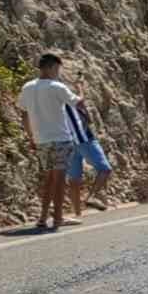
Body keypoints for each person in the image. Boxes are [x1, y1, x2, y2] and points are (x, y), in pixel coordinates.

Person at [16, 53, 80, 231]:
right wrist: (80, 90)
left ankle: (43, 217)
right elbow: (77, 103)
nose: (58, 73)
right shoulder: (56, 86)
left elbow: (24, 114)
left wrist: (31, 137)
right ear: (52, 67)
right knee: (59, 180)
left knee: (49, 180)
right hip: (60, 138)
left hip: (41, 140)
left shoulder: (27, 87)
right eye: (58, 69)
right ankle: (58, 218)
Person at [64, 76, 113, 216]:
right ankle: (92, 196)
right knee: (105, 169)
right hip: (83, 138)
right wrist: (80, 86)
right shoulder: (68, 100)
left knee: (74, 179)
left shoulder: (52, 104)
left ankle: (77, 213)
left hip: (67, 142)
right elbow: (81, 102)